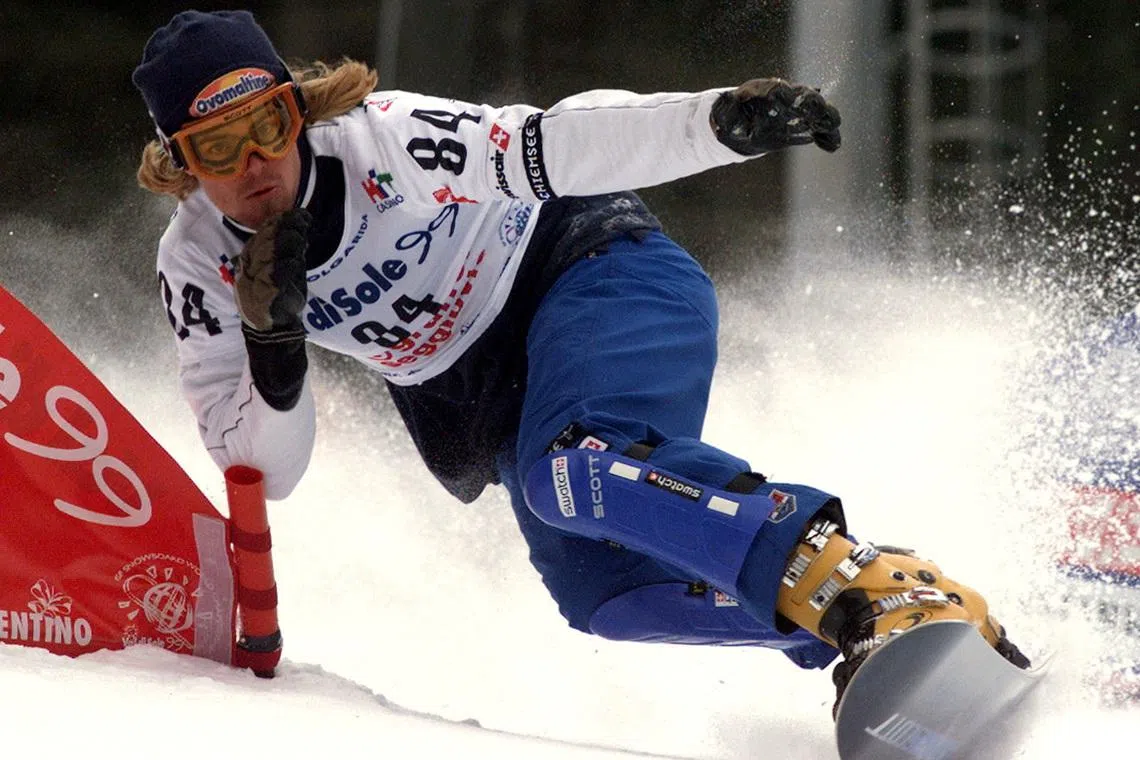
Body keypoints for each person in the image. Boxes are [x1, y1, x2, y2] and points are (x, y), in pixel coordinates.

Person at [133, 9, 1028, 710]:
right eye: (218, 147)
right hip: (487, 393)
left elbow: (557, 143)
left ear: (300, 110)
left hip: (591, 272)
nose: (256, 163)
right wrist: (275, 351)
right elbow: (266, 471)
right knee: (605, 597)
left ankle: (874, 586)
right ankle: (845, 624)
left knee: (574, 471)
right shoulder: (197, 266)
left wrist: (713, 124)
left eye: (271, 123)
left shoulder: (384, 140)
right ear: (179, 164)